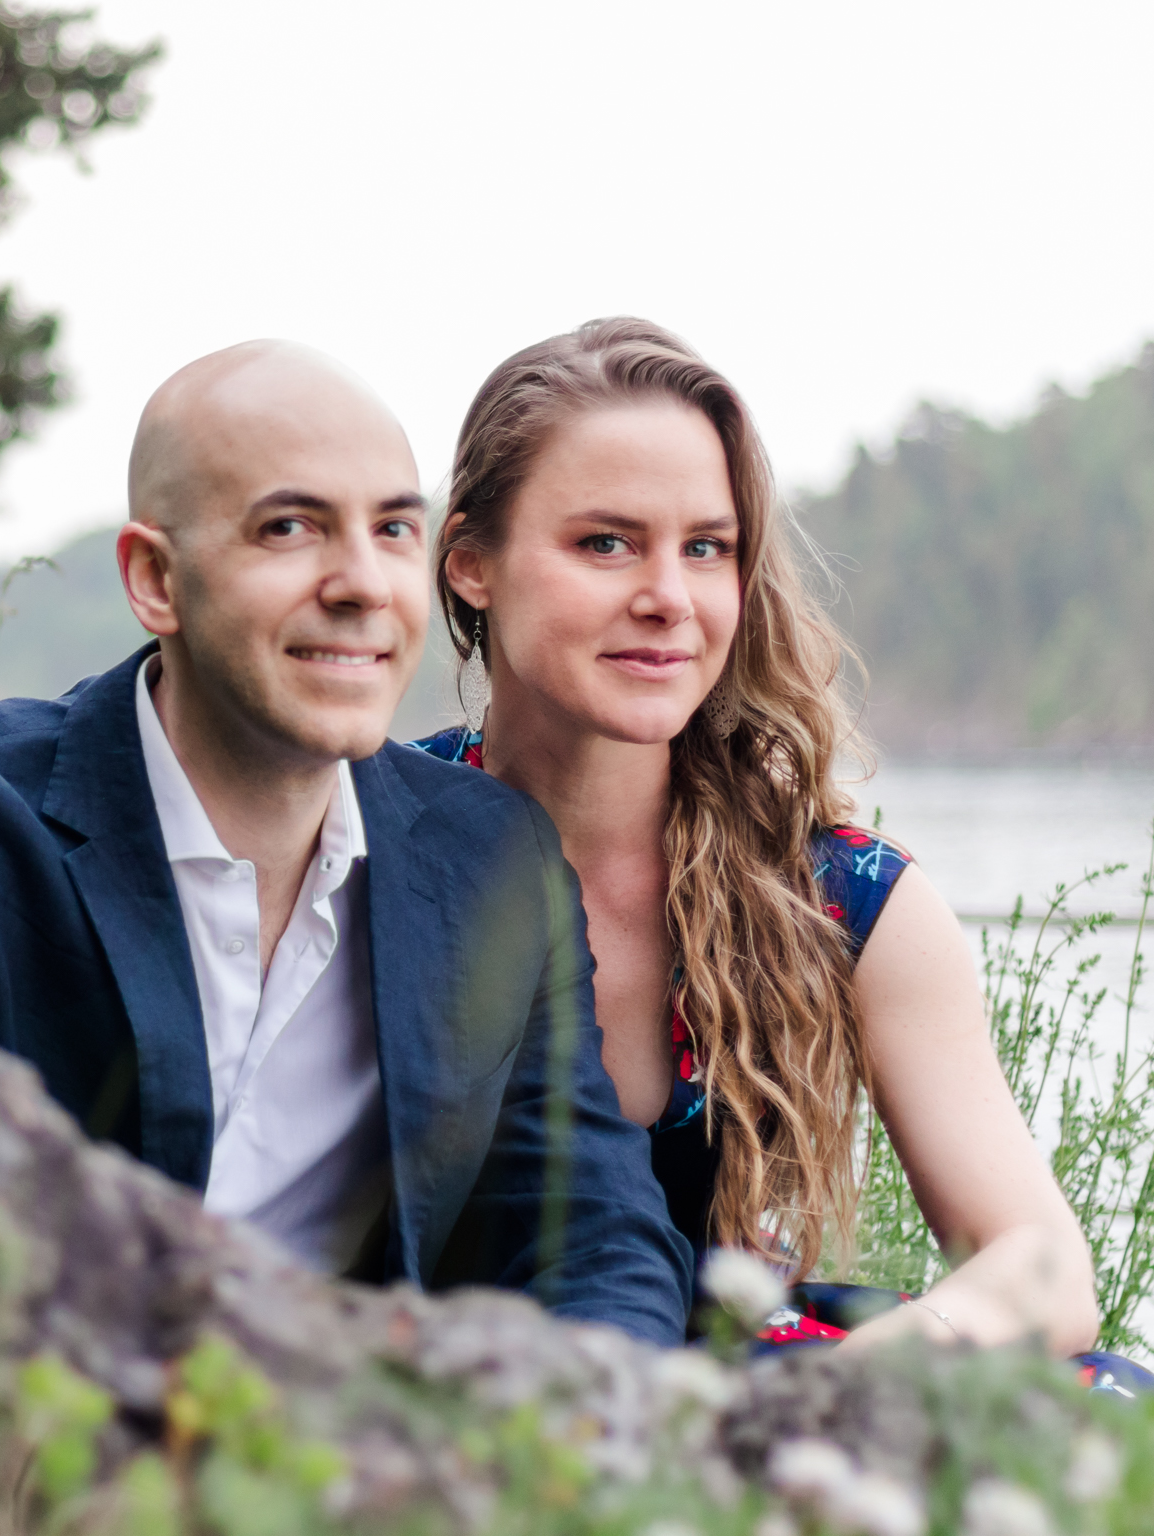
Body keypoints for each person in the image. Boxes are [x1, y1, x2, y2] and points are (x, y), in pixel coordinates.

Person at [0, 340, 693, 1344]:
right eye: (290, 527)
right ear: (154, 580)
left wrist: (578, 1454)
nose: (360, 583)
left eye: (392, 528)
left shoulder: (491, 858)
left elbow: (594, 1238)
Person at [419, 317, 1128, 1376]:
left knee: (1099, 1411)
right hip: (467, 1394)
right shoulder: (372, 845)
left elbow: (1042, 1268)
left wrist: (866, 1379)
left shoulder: (837, 894)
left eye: (705, 547)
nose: (665, 597)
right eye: (604, 542)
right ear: (470, 561)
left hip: (766, 1390)